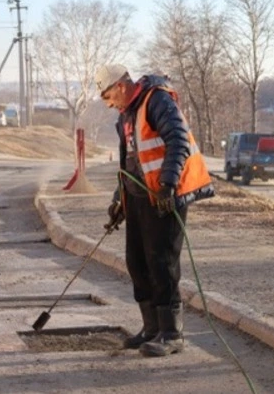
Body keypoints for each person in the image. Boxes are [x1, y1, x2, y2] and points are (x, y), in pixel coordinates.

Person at [96, 64, 215, 357]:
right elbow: (131, 163)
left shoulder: (157, 100)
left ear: (121, 86)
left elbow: (179, 140)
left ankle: (172, 334)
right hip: (138, 197)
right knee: (137, 262)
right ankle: (151, 328)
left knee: (161, 263)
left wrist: (168, 184)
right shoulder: (126, 114)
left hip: (163, 197)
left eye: (108, 96)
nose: (109, 104)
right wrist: (119, 200)